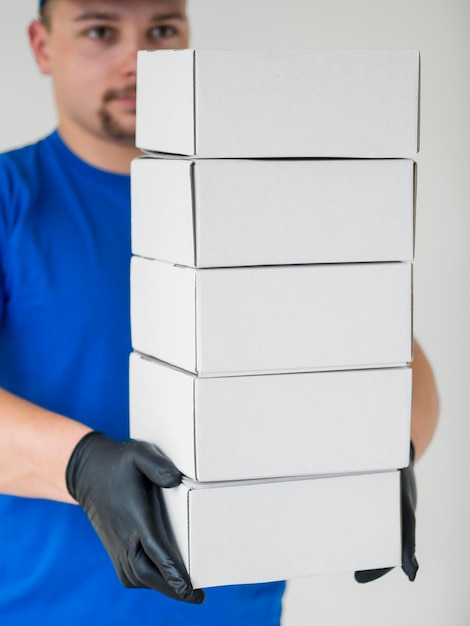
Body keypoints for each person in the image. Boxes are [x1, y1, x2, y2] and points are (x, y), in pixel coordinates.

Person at [0, 0, 439, 624]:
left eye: (162, 29)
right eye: (101, 30)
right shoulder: (10, 199)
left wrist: (393, 449)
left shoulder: (260, 194)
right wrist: (79, 465)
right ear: (43, 47)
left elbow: (390, 354)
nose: (138, 58)